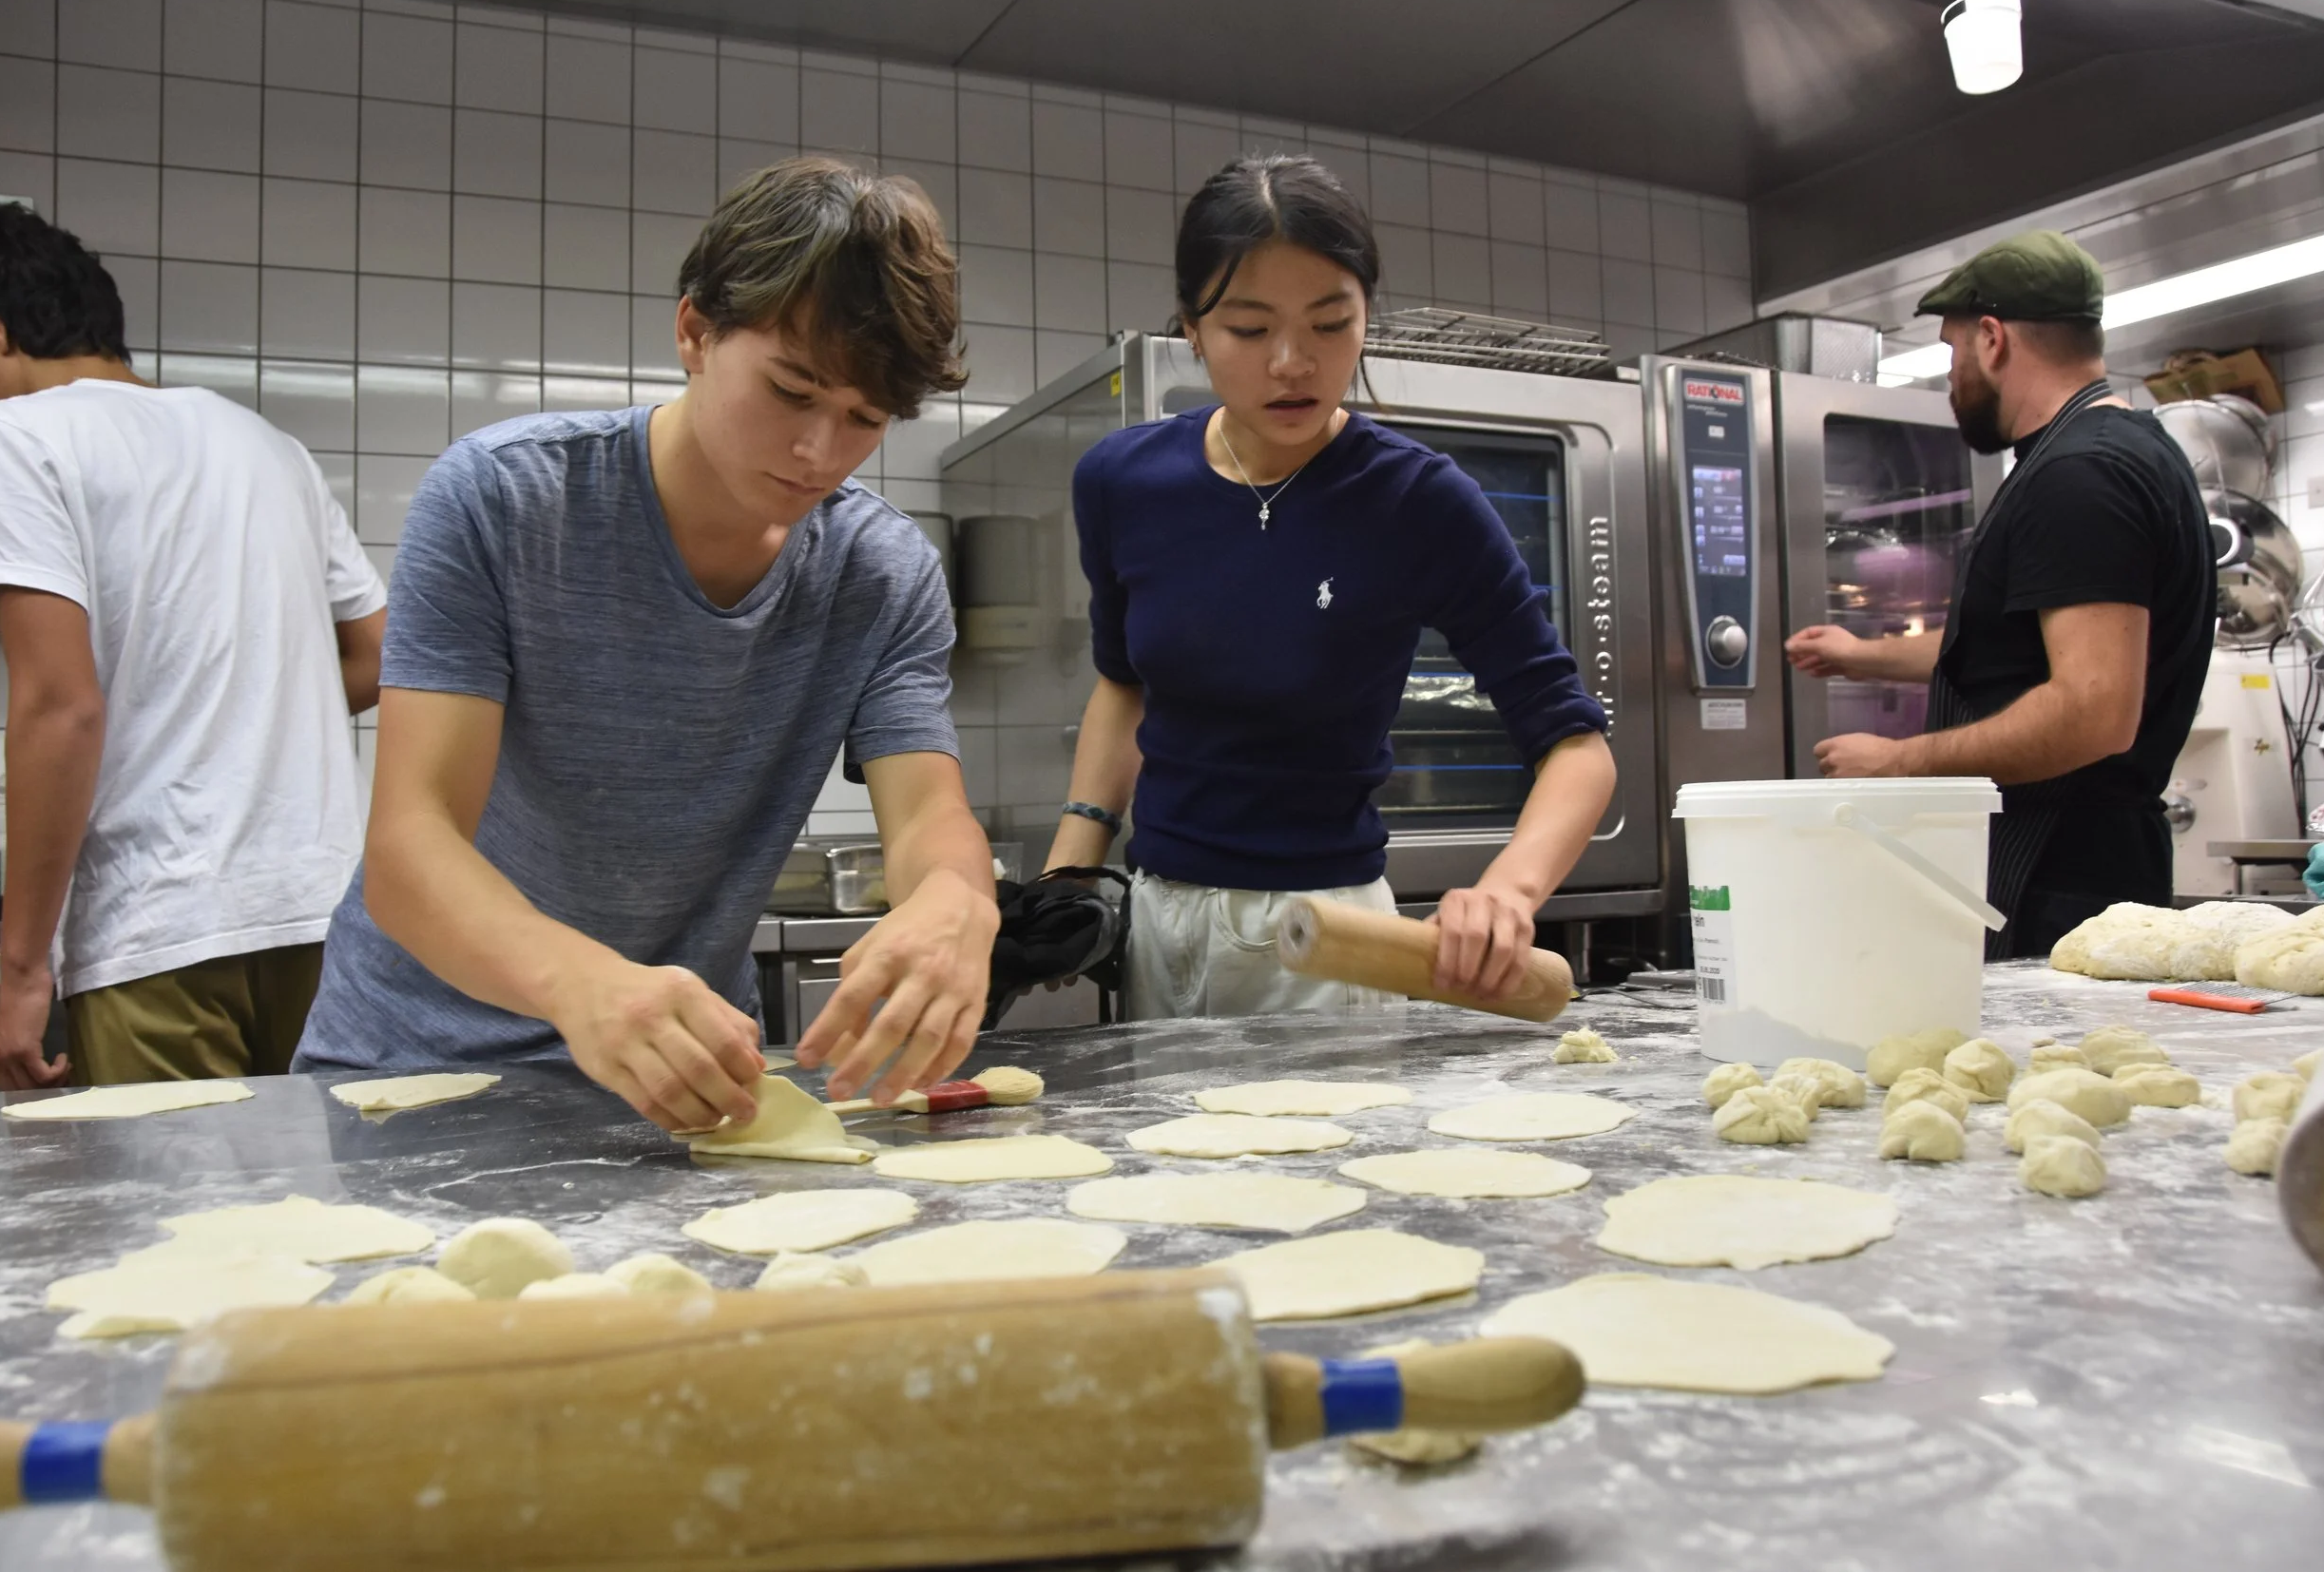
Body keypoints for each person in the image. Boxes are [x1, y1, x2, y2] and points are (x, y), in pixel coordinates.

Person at [293, 158, 999, 1131]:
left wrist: (956, 900)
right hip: (412, 1066)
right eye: (792, 390)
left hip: (684, 1078)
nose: (820, 452)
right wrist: (580, 983)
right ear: (695, 332)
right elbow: (411, 846)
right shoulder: (505, 500)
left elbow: (927, 816)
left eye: (864, 419)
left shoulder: (881, 572)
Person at [1044, 155, 1618, 1019]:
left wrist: (1508, 892)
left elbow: (1577, 744)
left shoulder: (1417, 500)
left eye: (1330, 323)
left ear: (1364, 318)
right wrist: (1071, 867)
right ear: (1192, 328)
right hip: (1157, 928)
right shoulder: (1120, 482)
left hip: (1330, 940)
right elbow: (1124, 682)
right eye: (1248, 329)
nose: (1292, 363)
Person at [0, 201, 388, 1090]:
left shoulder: (10, 436)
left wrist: (24, 974)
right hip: (327, 916)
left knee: (177, 1186)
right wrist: (248, 711)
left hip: (160, 927)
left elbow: (59, 708)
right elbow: (379, 654)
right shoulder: (267, 444)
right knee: (332, 1182)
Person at [1783, 229, 2212, 958]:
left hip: (2060, 882)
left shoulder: (2081, 476)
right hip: (2076, 874)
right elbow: (2017, 652)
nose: (1952, 380)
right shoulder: (2129, 451)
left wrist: (1898, 764)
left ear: (1991, 339)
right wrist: (1863, 654)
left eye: (1951, 353)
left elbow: (2094, 711)